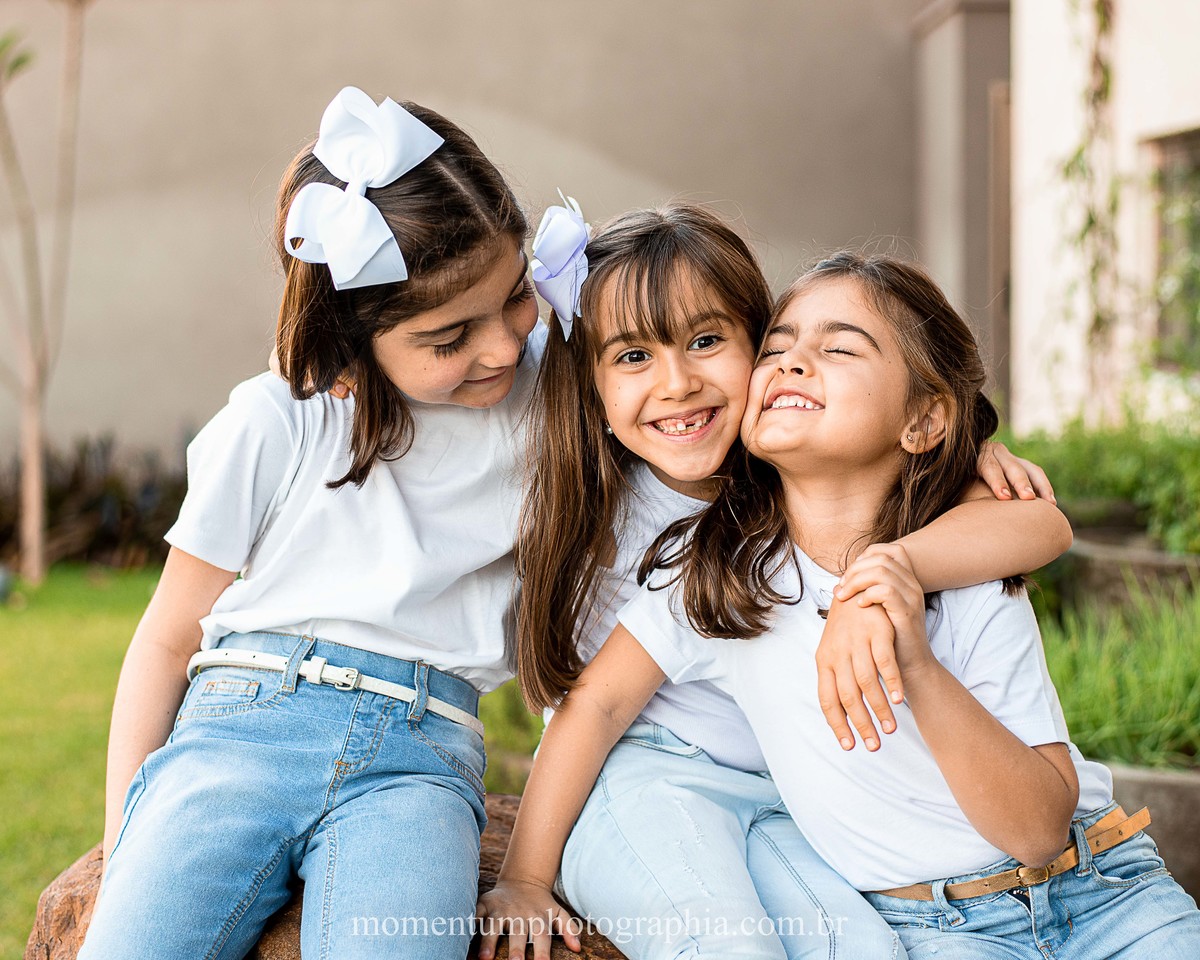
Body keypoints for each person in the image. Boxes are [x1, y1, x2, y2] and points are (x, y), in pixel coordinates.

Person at [496, 251, 1200, 959]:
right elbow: (597, 705)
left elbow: (1041, 828)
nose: (792, 363)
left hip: (1108, 890)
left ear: (923, 419)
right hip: (938, 931)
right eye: (776, 348)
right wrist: (525, 875)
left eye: (836, 348)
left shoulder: (971, 573)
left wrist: (911, 655)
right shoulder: (717, 581)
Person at [79, 87, 541, 960]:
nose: (505, 348)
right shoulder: (278, 421)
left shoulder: (553, 402)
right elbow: (168, 636)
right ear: (353, 344)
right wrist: (121, 843)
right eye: (450, 340)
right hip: (241, 721)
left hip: (420, 757)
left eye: (517, 298)